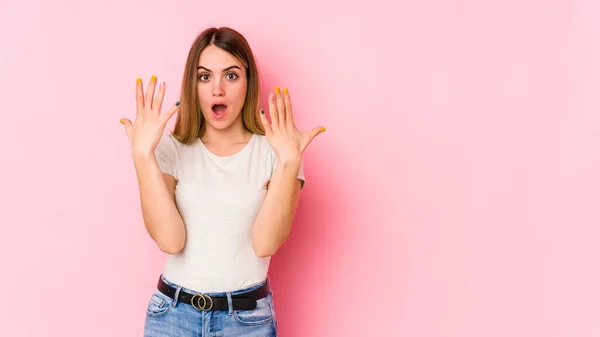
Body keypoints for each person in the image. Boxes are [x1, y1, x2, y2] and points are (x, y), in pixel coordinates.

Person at [119, 26, 325, 336]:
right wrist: (142, 157)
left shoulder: (279, 151)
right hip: (172, 318)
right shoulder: (169, 151)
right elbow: (169, 241)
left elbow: (266, 243)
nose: (218, 89)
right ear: (193, 85)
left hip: (246, 323)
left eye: (231, 75)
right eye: (205, 77)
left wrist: (289, 162)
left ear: (248, 82)